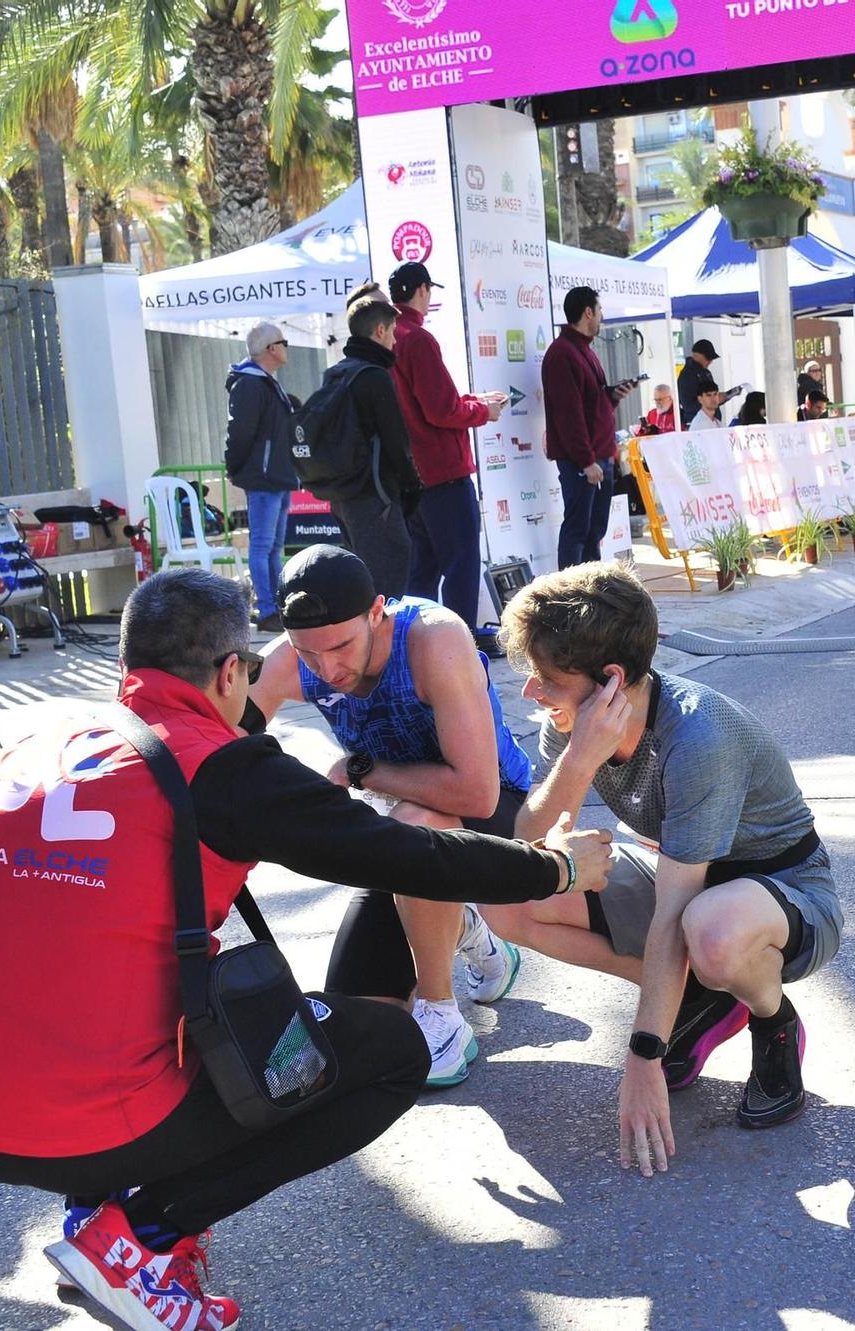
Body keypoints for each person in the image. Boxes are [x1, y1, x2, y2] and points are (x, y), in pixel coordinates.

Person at [0, 567, 611, 1331]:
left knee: (96, 972)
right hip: (82, 1117)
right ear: (230, 672)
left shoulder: (35, 746)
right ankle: (142, 1235)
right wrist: (557, 865)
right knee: (388, 1051)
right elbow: (407, 854)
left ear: (124, 665)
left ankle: (97, 1203)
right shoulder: (218, 765)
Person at [482, 563, 846, 1171]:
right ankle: (701, 999)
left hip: (785, 897)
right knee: (509, 898)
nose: (531, 693)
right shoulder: (574, 723)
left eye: (546, 677)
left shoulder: (698, 735)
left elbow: (676, 913)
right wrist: (578, 764)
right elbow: (524, 845)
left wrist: (642, 1056)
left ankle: (771, 1018)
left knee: (709, 931)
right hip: (686, 884)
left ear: (611, 680)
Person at [248, 544, 533, 1088]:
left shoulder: (434, 639)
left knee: (417, 822)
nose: (327, 668)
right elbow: (220, 741)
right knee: (355, 1030)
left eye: (342, 645)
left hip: (502, 819)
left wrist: (360, 769)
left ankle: (442, 1015)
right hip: (399, 842)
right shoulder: (290, 657)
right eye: (309, 654)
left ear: (377, 611)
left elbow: (478, 795)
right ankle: (464, 926)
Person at [386, 261, 503, 642]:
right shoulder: (417, 339)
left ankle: (415, 648)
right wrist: (484, 410)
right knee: (460, 566)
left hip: (411, 474)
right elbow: (440, 410)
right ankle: (458, 648)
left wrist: (472, 402)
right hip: (443, 471)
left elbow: (430, 404)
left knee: (423, 569)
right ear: (422, 290)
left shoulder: (389, 335)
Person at [309, 283, 420, 597]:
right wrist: (412, 487)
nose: (396, 339)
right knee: (387, 590)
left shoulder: (337, 373)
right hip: (377, 496)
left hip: (344, 497)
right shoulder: (373, 376)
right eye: (394, 331)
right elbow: (397, 443)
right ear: (380, 330)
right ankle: (385, 647)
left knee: (364, 585)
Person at [542, 286, 631, 571]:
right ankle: (570, 596)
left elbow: (591, 405)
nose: (602, 317)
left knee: (594, 531)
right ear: (588, 312)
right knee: (578, 530)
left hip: (600, 456)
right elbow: (569, 415)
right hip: (584, 460)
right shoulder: (562, 353)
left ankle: (591, 595)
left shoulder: (584, 350)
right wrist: (586, 460)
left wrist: (613, 396)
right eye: (600, 310)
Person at [224, 320, 303, 632]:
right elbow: (239, 433)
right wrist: (235, 466)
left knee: (273, 547)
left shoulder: (265, 382)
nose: (286, 348)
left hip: (277, 477)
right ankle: (268, 608)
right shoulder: (251, 383)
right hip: (265, 477)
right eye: (283, 343)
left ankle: (277, 606)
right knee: (263, 546)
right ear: (271, 349)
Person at [677, 337, 719, 425]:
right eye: (708, 358)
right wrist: (711, 401)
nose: (710, 361)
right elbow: (687, 405)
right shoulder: (686, 375)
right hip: (697, 423)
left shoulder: (706, 373)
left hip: (712, 421)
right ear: (696, 355)